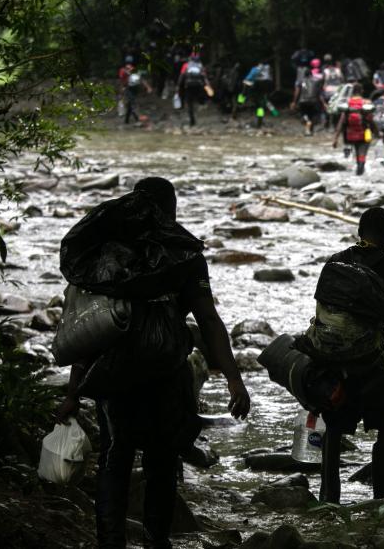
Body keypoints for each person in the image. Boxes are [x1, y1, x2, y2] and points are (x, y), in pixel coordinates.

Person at [56, 177, 250, 549]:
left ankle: (109, 542)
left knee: (115, 457)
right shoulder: (184, 254)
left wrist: (73, 392)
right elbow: (208, 320)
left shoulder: (108, 252)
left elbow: (87, 325)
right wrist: (234, 379)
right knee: (162, 460)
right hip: (166, 373)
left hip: (112, 372)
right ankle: (156, 541)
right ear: (171, 208)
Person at [319, 208, 384, 503]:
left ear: (359, 232)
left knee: (334, 427)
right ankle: (382, 493)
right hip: (370, 361)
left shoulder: (336, 260)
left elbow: (324, 311)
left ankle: (328, 496)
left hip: (333, 358)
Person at [333, 88, 377, 175]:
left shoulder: (348, 104)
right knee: (362, 154)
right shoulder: (366, 103)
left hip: (350, 134)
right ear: (361, 92)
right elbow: (371, 120)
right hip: (364, 133)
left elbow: (341, 122)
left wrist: (335, 139)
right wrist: (377, 133)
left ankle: (357, 169)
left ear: (352, 93)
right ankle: (360, 171)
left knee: (356, 152)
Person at [292, 61, 326, 135]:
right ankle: (310, 130)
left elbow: (297, 92)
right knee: (313, 114)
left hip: (303, 101)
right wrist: (323, 103)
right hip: (314, 101)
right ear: (311, 74)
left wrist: (294, 102)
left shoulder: (300, 81)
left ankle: (308, 126)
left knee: (304, 114)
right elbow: (320, 94)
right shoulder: (317, 81)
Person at [177, 53, 211, 127]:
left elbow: (181, 76)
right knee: (200, 98)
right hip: (199, 87)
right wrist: (208, 87)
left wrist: (179, 87)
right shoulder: (201, 66)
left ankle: (192, 120)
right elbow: (204, 78)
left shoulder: (186, 65)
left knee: (190, 104)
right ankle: (202, 104)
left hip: (189, 87)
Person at [242, 59, 274, 128]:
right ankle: (260, 120)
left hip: (256, 87)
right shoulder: (268, 69)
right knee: (261, 105)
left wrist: (244, 92)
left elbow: (247, 80)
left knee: (258, 105)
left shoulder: (255, 69)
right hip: (266, 88)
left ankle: (242, 101)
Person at [120, 60, 151, 125]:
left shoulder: (135, 74)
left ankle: (126, 121)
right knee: (132, 104)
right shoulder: (124, 72)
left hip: (134, 90)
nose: (129, 69)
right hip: (128, 89)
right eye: (127, 68)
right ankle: (138, 119)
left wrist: (148, 87)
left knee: (130, 105)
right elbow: (123, 79)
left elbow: (142, 80)